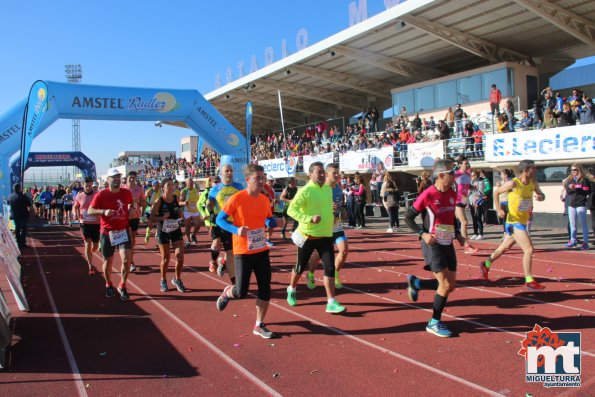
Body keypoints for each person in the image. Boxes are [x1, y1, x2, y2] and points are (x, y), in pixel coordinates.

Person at [215, 164, 284, 339]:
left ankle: (259, 324)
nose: (262, 181)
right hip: (243, 251)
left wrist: (275, 223)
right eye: (257, 178)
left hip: (261, 250)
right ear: (247, 180)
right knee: (241, 292)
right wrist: (237, 230)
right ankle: (227, 292)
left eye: (263, 178)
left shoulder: (264, 199)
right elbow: (220, 219)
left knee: (265, 289)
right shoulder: (237, 198)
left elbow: (267, 220)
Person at [404, 159, 464, 338]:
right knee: (444, 284)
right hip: (432, 243)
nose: (455, 176)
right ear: (441, 175)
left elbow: (451, 216)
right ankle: (434, 322)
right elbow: (408, 217)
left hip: (448, 242)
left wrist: (458, 233)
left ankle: (417, 283)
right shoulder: (428, 195)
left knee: (450, 285)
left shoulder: (453, 192)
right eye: (452, 173)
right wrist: (423, 233)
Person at [285, 162, 346, 314]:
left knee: (330, 267)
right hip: (308, 236)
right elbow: (291, 210)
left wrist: (331, 211)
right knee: (300, 267)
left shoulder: (327, 188)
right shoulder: (305, 191)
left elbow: (323, 205)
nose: (322, 175)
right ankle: (291, 288)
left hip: (325, 235)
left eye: (323, 172)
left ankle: (331, 301)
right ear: (310, 174)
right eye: (318, 172)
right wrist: (308, 218)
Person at [479, 160, 546, 290]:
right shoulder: (513, 183)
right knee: (529, 249)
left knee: (503, 248)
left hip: (522, 220)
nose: (536, 171)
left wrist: (541, 197)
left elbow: (542, 195)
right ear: (526, 170)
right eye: (534, 169)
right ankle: (529, 279)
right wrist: (498, 209)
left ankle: (486, 264)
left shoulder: (533, 183)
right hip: (513, 221)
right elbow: (496, 192)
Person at [88, 168, 134, 301]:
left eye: (119, 177)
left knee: (127, 259)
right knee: (108, 262)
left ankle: (122, 285)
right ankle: (108, 283)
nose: (117, 179)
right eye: (114, 177)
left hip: (123, 231)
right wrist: (103, 211)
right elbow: (90, 210)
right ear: (108, 180)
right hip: (107, 233)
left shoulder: (126, 193)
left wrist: (132, 208)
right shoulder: (101, 195)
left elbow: (131, 203)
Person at [305, 163, 350, 290]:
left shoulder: (338, 188)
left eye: (338, 172)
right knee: (319, 254)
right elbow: (313, 206)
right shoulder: (321, 187)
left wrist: (343, 211)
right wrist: (327, 207)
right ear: (327, 174)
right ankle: (311, 274)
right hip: (324, 225)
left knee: (344, 250)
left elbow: (339, 205)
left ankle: (335, 275)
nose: (337, 175)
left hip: (336, 224)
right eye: (334, 173)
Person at [207, 164, 243, 283]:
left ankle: (234, 281)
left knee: (231, 253)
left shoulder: (239, 187)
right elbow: (209, 203)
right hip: (220, 221)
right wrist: (211, 212)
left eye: (231, 170)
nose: (229, 173)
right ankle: (213, 260)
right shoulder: (215, 189)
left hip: (234, 224)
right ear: (221, 174)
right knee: (216, 243)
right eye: (226, 171)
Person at [150, 178, 187, 292]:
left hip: (175, 228)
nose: (171, 187)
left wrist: (181, 215)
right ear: (163, 188)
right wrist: (162, 217)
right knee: (166, 258)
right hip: (163, 230)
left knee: (180, 256)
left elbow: (179, 212)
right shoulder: (159, 201)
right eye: (168, 185)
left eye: (172, 185)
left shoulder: (176, 198)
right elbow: (152, 217)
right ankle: (163, 280)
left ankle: (177, 279)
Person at [74, 177, 101, 275]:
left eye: (90, 186)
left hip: (96, 223)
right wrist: (75, 215)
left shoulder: (97, 195)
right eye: (86, 186)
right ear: (83, 185)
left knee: (95, 245)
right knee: (87, 244)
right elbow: (75, 206)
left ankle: (92, 251)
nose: (88, 188)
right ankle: (90, 265)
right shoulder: (79, 196)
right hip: (84, 223)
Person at [563, 164, 591, 250]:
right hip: (571, 204)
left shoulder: (584, 180)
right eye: (572, 170)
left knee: (583, 224)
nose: (573, 172)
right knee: (572, 224)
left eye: (575, 170)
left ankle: (585, 243)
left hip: (581, 203)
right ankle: (573, 240)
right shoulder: (570, 179)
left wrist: (577, 188)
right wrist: (570, 187)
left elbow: (587, 191)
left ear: (579, 170)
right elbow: (567, 190)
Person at [122, 171, 146, 272]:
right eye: (130, 178)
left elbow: (143, 201)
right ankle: (127, 260)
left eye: (133, 177)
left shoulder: (139, 189)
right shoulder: (122, 189)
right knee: (126, 240)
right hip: (124, 217)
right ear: (127, 178)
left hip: (135, 216)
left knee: (132, 240)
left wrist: (140, 204)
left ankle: (130, 261)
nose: (132, 179)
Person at [454, 157, 478, 254]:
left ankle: (462, 241)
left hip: (464, 201)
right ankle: (466, 245)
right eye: (465, 163)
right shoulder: (456, 174)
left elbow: (467, 186)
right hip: (456, 201)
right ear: (459, 164)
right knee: (464, 222)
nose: (467, 165)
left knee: (449, 225)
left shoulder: (468, 174)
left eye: (468, 163)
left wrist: (473, 188)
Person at [198, 176, 218, 272]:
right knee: (215, 240)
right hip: (210, 219)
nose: (217, 183)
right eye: (215, 182)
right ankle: (213, 260)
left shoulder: (224, 191)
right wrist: (203, 214)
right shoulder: (206, 193)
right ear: (211, 184)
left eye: (219, 181)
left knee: (221, 242)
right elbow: (199, 204)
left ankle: (220, 260)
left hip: (222, 219)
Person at [179, 177, 202, 248]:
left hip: (195, 210)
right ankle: (188, 240)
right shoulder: (184, 191)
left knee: (198, 225)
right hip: (187, 211)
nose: (191, 184)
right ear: (186, 184)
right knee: (188, 227)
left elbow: (198, 199)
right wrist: (184, 203)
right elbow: (179, 202)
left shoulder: (196, 190)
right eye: (190, 183)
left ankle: (193, 234)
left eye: (192, 182)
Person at [9, 183, 32, 250]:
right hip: (23, 215)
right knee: (24, 229)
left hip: (15, 215)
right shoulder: (23, 196)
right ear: (19, 188)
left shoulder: (10, 196)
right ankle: (22, 243)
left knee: (17, 229)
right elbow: (29, 204)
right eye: (21, 187)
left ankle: (18, 243)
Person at [495, 169, 514, 239]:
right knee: (504, 218)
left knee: (509, 219)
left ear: (506, 175)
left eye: (502, 174)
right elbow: (497, 193)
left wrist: (501, 186)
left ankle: (510, 233)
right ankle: (505, 233)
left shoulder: (510, 182)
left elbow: (510, 190)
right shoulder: (501, 182)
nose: (501, 176)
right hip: (502, 202)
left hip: (508, 202)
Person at [469, 170, 486, 240]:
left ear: (476, 176)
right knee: (474, 218)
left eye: (473, 175)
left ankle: (481, 234)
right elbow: (469, 192)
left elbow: (480, 192)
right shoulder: (471, 181)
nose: (472, 177)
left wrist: (472, 188)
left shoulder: (481, 182)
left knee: (478, 217)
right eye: (471, 175)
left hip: (478, 202)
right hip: (471, 201)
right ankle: (475, 233)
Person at [144, 180, 161, 245]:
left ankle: (158, 239)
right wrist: (150, 205)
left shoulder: (160, 191)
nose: (158, 186)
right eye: (157, 185)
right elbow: (144, 201)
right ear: (153, 185)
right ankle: (148, 232)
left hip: (157, 210)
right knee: (150, 225)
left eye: (158, 185)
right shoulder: (149, 192)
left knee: (159, 225)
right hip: (149, 210)